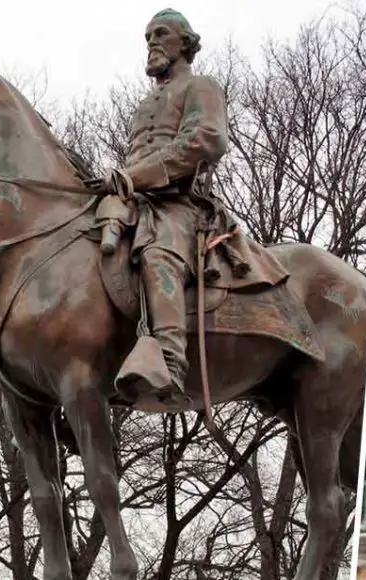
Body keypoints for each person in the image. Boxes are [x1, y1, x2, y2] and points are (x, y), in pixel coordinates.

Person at [87, 8, 229, 400]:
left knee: (157, 252)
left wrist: (137, 177)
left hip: (177, 205)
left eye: (160, 34)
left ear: (184, 43)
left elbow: (206, 140)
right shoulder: (147, 102)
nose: (151, 41)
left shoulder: (200, 86)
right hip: (134, 200)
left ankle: (169, 362)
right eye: (147, 36)